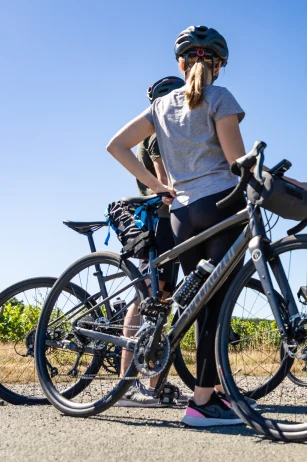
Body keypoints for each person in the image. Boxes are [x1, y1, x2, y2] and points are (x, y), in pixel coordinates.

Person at [107, 25, 307, 427]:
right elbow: (239, 165)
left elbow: (115, 145)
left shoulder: (161, 106)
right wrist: (298, 185)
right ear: (219, 66)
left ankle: (215, 396)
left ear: (181, 62)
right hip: (221, 206)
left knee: (201, 306)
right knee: (216, 309)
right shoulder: (219, 98)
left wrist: (160, 187)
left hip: (182, 216)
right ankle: (202, 404)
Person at [116, 76, 187, 408]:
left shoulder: (149, 133)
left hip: (155, 221)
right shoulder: (160, 131)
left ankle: (142, 383)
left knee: (154, 298)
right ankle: (133, 386)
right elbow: (164, 180)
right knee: (152, 298)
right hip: (160, 221)